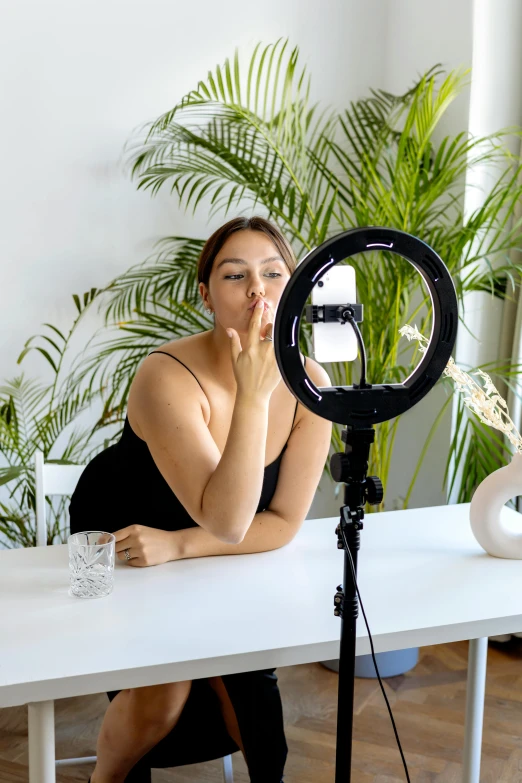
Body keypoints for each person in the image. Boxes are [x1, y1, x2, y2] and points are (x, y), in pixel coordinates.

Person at [69, 215, 332, 783]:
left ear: (296, 288)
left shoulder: (311, 383)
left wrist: (181, 547)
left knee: (253, 698)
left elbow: (281, 523)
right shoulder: (164, 375)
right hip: (122, 537)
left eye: (273, 274)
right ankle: (106, 777)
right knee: (165, 689)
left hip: (195, 544)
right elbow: (232, 519)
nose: (258, 290)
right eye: (236, 276)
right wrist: (255, 395)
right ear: (206, 295)